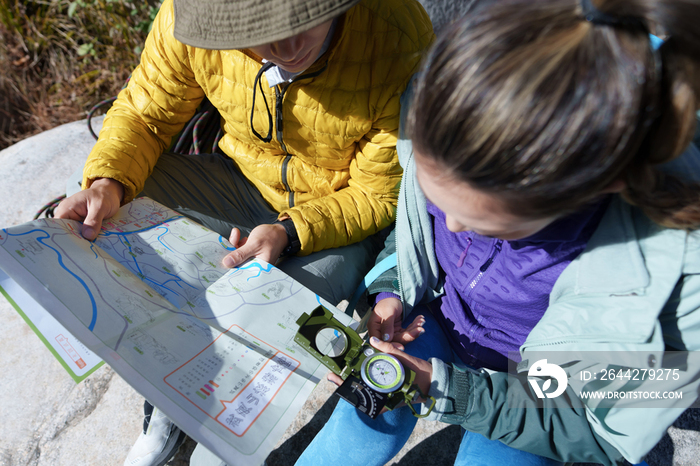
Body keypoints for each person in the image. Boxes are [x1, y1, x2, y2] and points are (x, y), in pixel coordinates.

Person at [295, 0, 700, 465]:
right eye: (436, 199)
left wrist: (449, 390)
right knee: (360, 420)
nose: (449, 226)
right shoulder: (450, 138)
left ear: (596, 186)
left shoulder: (682, 284)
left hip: (541, 383)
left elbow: (597, 431)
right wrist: (392, 290)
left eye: (483, 224)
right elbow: (411, 232)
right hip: (436, 321)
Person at [54, 0, 434, 464]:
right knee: (117, 211)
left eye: (305, 20)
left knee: (271, 312)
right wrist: (108, 183)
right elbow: (143, 114)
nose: (289, 47)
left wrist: (287, 233)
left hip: (339, 220)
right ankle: (168, 399)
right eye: (262, 33)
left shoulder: (394, 32)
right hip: (240, 182)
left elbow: (379, 194)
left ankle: (213, 428)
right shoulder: (187, 15)